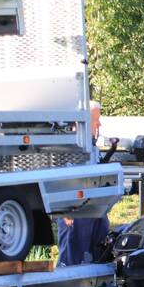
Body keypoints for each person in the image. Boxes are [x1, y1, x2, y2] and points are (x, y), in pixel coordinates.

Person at [57, 101, 111, 266]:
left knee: (97, 254)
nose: (99, 124)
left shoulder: (91, 146)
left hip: (95, 210)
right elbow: (60, 182)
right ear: (85, 121)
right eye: (96, 120)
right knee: (72, 257)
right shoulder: (67, 148)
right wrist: (65, 211)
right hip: (75, 212)